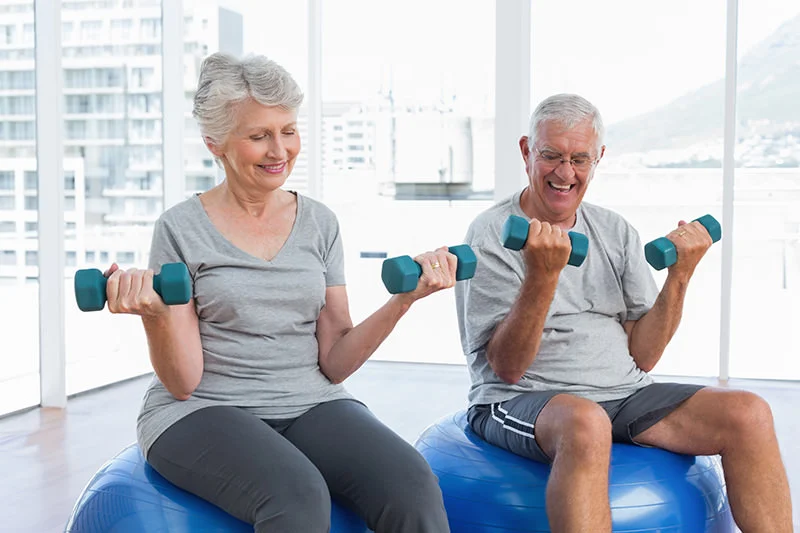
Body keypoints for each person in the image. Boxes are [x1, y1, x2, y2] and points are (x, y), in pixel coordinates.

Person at [101, 52, 453, 533]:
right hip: (205, 408)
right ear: (215, 144)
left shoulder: (319, 223)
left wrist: (402, 301)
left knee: (412, 484)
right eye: (259, 135)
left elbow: (335, 360)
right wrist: (153, 314)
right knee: (298, 496)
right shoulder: (180, 228)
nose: (280, 150)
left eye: (288, 130)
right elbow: (183, 381)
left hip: (310, 401)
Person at [454, 93, 792, 532]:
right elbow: (508, 367)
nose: (564, 172)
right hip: (518, 399)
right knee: (585, 422)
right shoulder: (492, 234)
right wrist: (543, 278)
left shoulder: (615, 231)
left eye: (579, 159)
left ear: (598, 160)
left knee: (749, 412)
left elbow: (645, 356)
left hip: (624, 393)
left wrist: (680, 276)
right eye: (551, 155)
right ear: (526, 151)